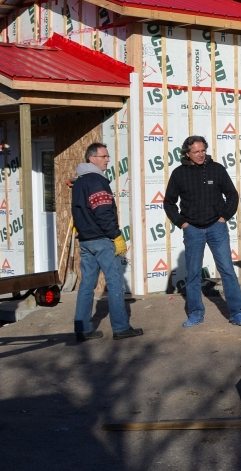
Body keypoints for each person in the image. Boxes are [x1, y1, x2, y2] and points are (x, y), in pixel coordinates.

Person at [164, 135, 241, 328]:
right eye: (196, 152)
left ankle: (237, 313)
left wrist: (223, 217)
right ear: (187, 153)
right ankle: (195, 313)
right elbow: (169, 202)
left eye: (203, 150)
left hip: (216, 227)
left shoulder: (216, 169)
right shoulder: (179, 174)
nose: (201, 154)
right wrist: (182, 223)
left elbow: (232, 195)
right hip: (192, 229)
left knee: (227, 270)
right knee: (194, 273)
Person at [72, 142, 143, 341]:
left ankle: (82, 328)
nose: (107, 160)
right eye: (104, 156)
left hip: (85, 241)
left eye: (108, 156)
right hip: (101, 239)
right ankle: (120, 327)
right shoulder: (96, 181)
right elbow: (103, 212)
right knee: (115, 282)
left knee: (87, 285)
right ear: (92, 158)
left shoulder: (79, 182)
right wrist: (116, 235)